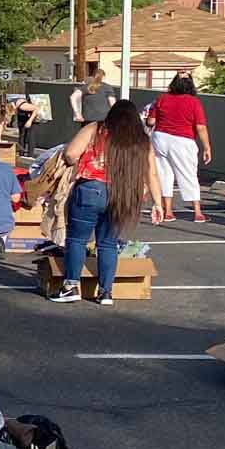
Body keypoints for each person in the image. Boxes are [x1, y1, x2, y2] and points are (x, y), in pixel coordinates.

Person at [52, 100, 164, 306]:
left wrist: (76, 163)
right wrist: (158, 204)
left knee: (77, 239)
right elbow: (152, 174)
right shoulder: (142, 140)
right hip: (123, 194)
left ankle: (71, 287)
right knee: (109, 244)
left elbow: (70, 154)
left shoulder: (95, 128)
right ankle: (105, 292)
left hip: (91, 188)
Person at [145, 73, 211, 224]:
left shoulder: (162, 98)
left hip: (160, 138)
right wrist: (207, 147)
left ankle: (168, 211)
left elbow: (151, 121)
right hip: (183, 140)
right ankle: (198, 213)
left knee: (163, 174)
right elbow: (200, 127)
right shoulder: (193, 102)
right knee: (188, 174)